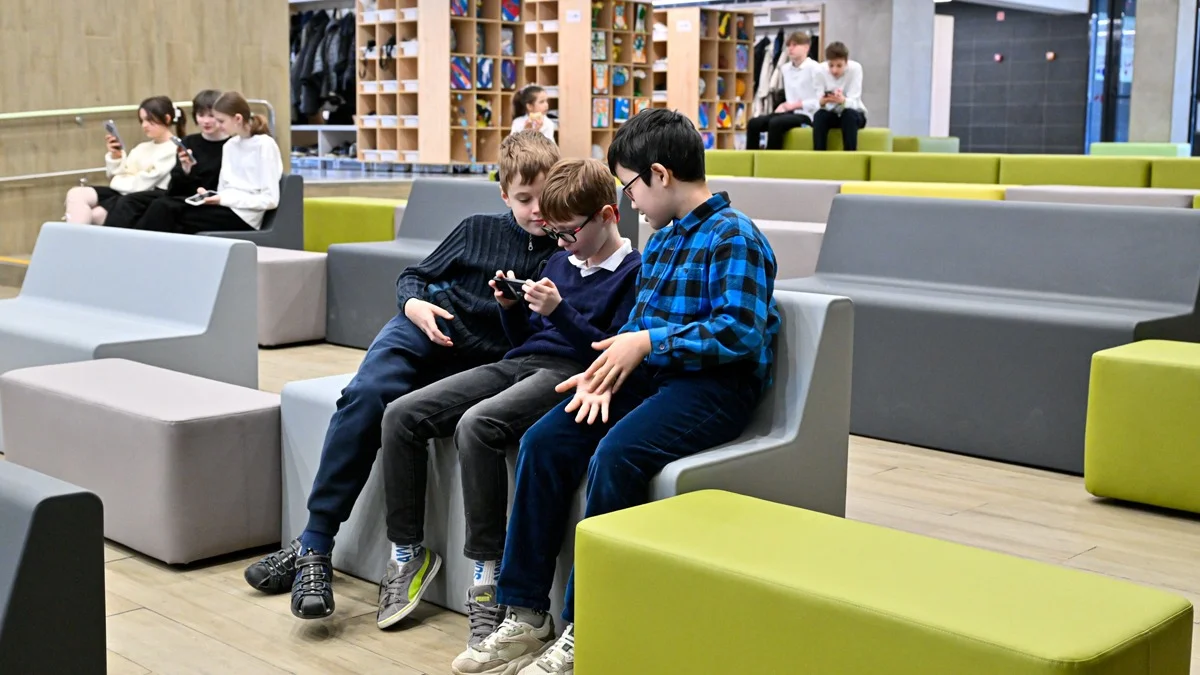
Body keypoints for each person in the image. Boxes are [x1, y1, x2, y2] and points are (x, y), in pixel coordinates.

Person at [452, 109, 780, 675]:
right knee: (544, 440)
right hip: (655, 377)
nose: (631, 201)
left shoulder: (735, 236)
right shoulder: (665, 239)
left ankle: (588, 626)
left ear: (660, 175)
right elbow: (635, 327)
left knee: (616, 455)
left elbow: (739, 333)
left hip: (715, 388)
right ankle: (526, 613)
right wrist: (603, 369)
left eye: (630, 187)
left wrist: (647, 344)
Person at [242, 131, 562, 622]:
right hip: (421, 328)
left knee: (403, 414)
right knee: (365, 395)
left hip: (475, 362)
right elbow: (414, 275)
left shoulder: (564, 253)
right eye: (524, 199)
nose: (537, 209)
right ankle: (317, 544)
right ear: (504, 195)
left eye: (545, 196)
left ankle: (305, 549)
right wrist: (414, 305)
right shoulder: (476, 228)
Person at [375, 157, 640, 648]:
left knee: (478, 425)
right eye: (555, 233)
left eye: (568, 232)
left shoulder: (634, 272)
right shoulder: (559, 261)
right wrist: (511, 308)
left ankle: (487, 577)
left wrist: (559, 311)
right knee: (402, 414)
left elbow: (607, 356)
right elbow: (526, 339)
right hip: (521, 362)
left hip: (570, 373)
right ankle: (406, 554)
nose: (561, 243)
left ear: (608, 215)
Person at [134, 91, 282, 234]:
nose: (218, 125)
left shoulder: (265, 145)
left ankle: (140, 248)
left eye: (221, 121)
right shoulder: (230, 145)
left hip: (244, 216)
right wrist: (210, 196)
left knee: (166, 211)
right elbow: (224, 188)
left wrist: (223, 199)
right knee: (162, 206)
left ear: (237, 118)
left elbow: (270, 200)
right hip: (225, 205)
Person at [103, 90, 229, 229]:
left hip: (215, 201)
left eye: (211, 115)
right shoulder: (189, 142)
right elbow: (175, 188)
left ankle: (135, 241)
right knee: (134, 203)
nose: (206, 121)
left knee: (161, 207)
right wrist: (186, 170)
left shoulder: (231, 145)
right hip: (188, 197)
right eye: (201, 115)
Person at [63, 96, 183, 225]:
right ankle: (71, 237)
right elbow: (118, 175)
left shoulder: (175, 148)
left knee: (96, 214)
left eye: (149, 120)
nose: (144, 125)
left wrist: (118, 180)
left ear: (166, 119)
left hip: (140, 200)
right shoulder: (141, 147)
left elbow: (142, 184)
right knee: (76, 193)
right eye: (142, 120)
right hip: (124, 194)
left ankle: (72, 237)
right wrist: (116, 156)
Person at [745, 31, 821, 150]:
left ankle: (772, 157)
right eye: (788, 45)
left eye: (795, 45)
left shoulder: (815, 68)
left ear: (806, 47)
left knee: (776, 123)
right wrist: (785, 105)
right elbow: (791, 96)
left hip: (808, 114)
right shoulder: (786, 69)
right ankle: (751, 156)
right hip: (789, 111)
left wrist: (796, 105)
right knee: (754, 123)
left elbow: (820, 101)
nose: (790, 48)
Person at [811, 41, 868, 152]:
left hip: (853, 113)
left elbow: (854, 99)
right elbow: (818, 101)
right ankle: (819, 155)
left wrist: (843, 101)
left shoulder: (855, 69)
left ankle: (850, 156)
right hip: (831, 113)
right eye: (831, 65)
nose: (834, 70)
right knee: (819, 116)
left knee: (849, 115)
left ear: (846, 62)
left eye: (839, 65)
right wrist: (823, 101)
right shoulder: (819, 70)